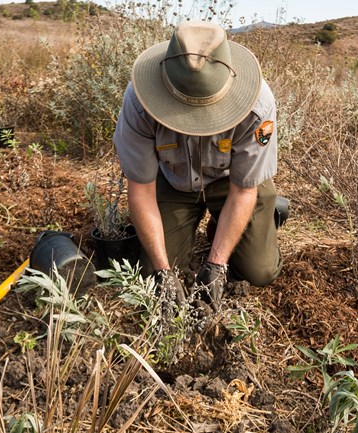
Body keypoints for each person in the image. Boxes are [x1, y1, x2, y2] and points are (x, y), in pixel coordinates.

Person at [113, 20, 282, 310]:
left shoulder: (258, 105)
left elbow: (243, 191)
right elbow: (141, 190)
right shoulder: (139, 102)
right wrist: (165, 271)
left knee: (259, 271)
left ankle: (259, 215)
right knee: (152, 274)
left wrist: (217, 265)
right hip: (174, 182)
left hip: (232, 183)